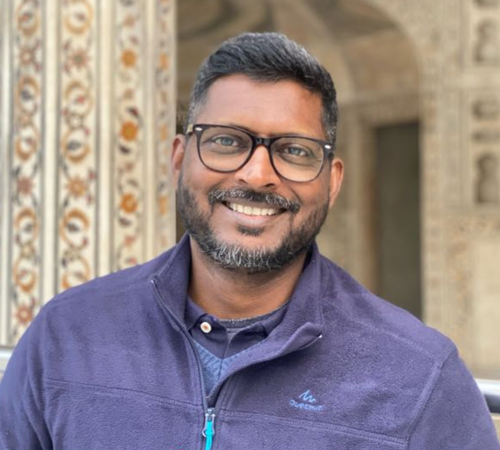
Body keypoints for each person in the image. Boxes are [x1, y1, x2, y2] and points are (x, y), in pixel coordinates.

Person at [0, 32, 498, 450]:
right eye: (226, 141)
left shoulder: (420, 377)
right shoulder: (66, 337)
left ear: (332, 181)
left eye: (294, 150)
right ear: (179, 159)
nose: (257, 174)